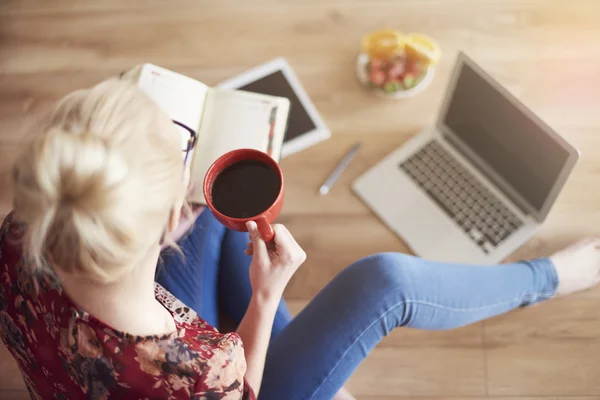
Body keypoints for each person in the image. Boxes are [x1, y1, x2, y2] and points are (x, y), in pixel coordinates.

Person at [0, 79, 598, 400]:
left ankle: (316, 365)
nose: (192, 154)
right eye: (186, 147)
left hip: (84, 363)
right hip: (212, 386)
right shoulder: (191, 370)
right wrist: (265, 298)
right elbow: (239, 386)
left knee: (218, 215)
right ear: (163, 227)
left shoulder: (27, 226)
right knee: (385, 283)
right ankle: (549, 280)